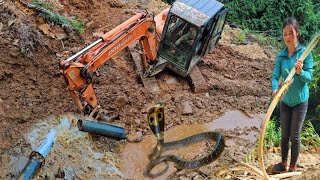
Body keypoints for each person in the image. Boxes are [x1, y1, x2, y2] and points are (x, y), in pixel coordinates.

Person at [271, 17, 313, 173]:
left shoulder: (304, 55)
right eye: (285, 34)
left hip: (300, 101)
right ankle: (283, 164)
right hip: (285, 100)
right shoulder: (281, 56)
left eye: (291, 33)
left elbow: (309, 77)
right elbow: (275, 76)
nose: (288, 37)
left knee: (295, 135)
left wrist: (300, 72)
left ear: (297, 34)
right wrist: (275, 89)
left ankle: (293, 167)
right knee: (284, 135)